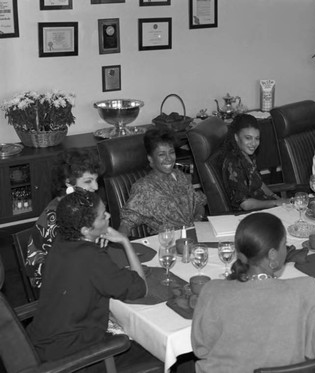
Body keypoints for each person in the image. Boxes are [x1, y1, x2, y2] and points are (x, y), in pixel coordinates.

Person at [191, 212, 315, 372]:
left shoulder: (212, 292)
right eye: (284, 244)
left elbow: (202, 349)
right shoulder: (304, 291)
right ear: (272, 255)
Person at [27, 190, 147, 365]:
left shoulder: (61, 240)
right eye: (102, 216)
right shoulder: (93, 258)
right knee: (149, 351)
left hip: (43, 340)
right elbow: (141, 287)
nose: (109, 215)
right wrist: (124, 241)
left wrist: (94, 238)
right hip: (72, 356)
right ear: (85, 229)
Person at [25, 149, 103, 289]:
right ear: (68, 183)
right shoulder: (57, 216)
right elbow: (66, 261)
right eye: (88, 181)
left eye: (96, 180)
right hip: (50, 281)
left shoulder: (83, 203)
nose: (95, 187)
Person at [119, 127, 207, 235]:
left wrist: (198, 218)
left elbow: (198, 202)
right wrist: (120, 242)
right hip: (167, 242)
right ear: (150, 159)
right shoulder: (144, 187)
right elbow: (127, 222)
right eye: (161, 154)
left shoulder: (180, 175)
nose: (169, 158)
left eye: (171, 152)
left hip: (193, 234)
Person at [222, 114, 288, 211]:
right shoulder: (233, 163)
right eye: (248, 138)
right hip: (248, 216)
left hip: (263, 206)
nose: (253, 143)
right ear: (236, 137)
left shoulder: (247, 155)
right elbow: (245, 204)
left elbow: (260, 184)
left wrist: (276, 197)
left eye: (257, 138)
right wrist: (275, 203)